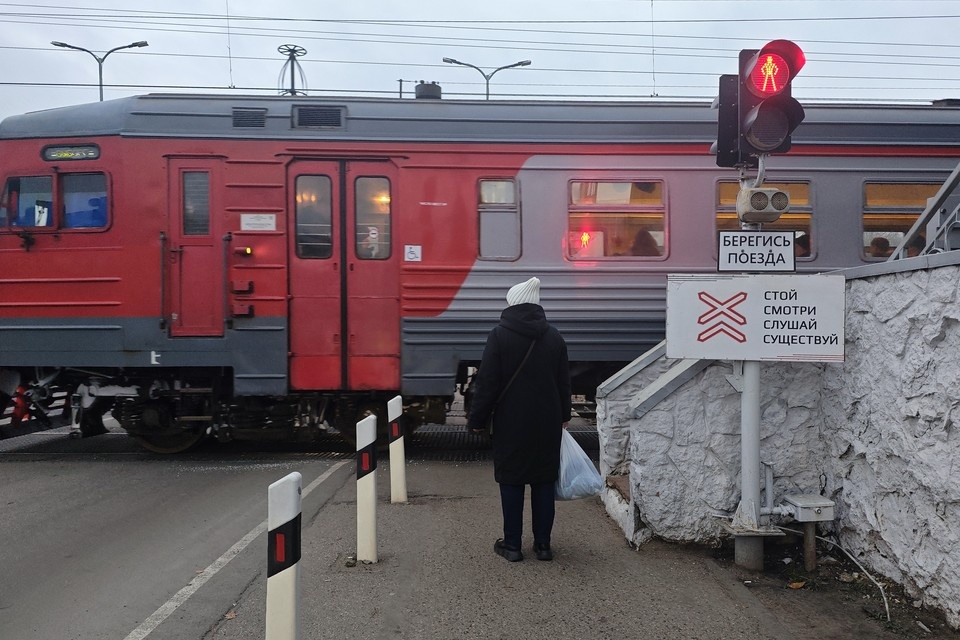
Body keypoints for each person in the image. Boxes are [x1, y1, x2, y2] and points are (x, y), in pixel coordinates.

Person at [467, 277, 572, 562]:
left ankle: (512, 546)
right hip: (547, 422)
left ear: (512, 303)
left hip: (511, 421)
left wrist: (476, 419)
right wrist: (564, 416)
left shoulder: (499, 335)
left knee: (512, 481)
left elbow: (488, 382)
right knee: (543, 482)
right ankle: (543, 546)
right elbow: (564, 382)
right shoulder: (554, 336)